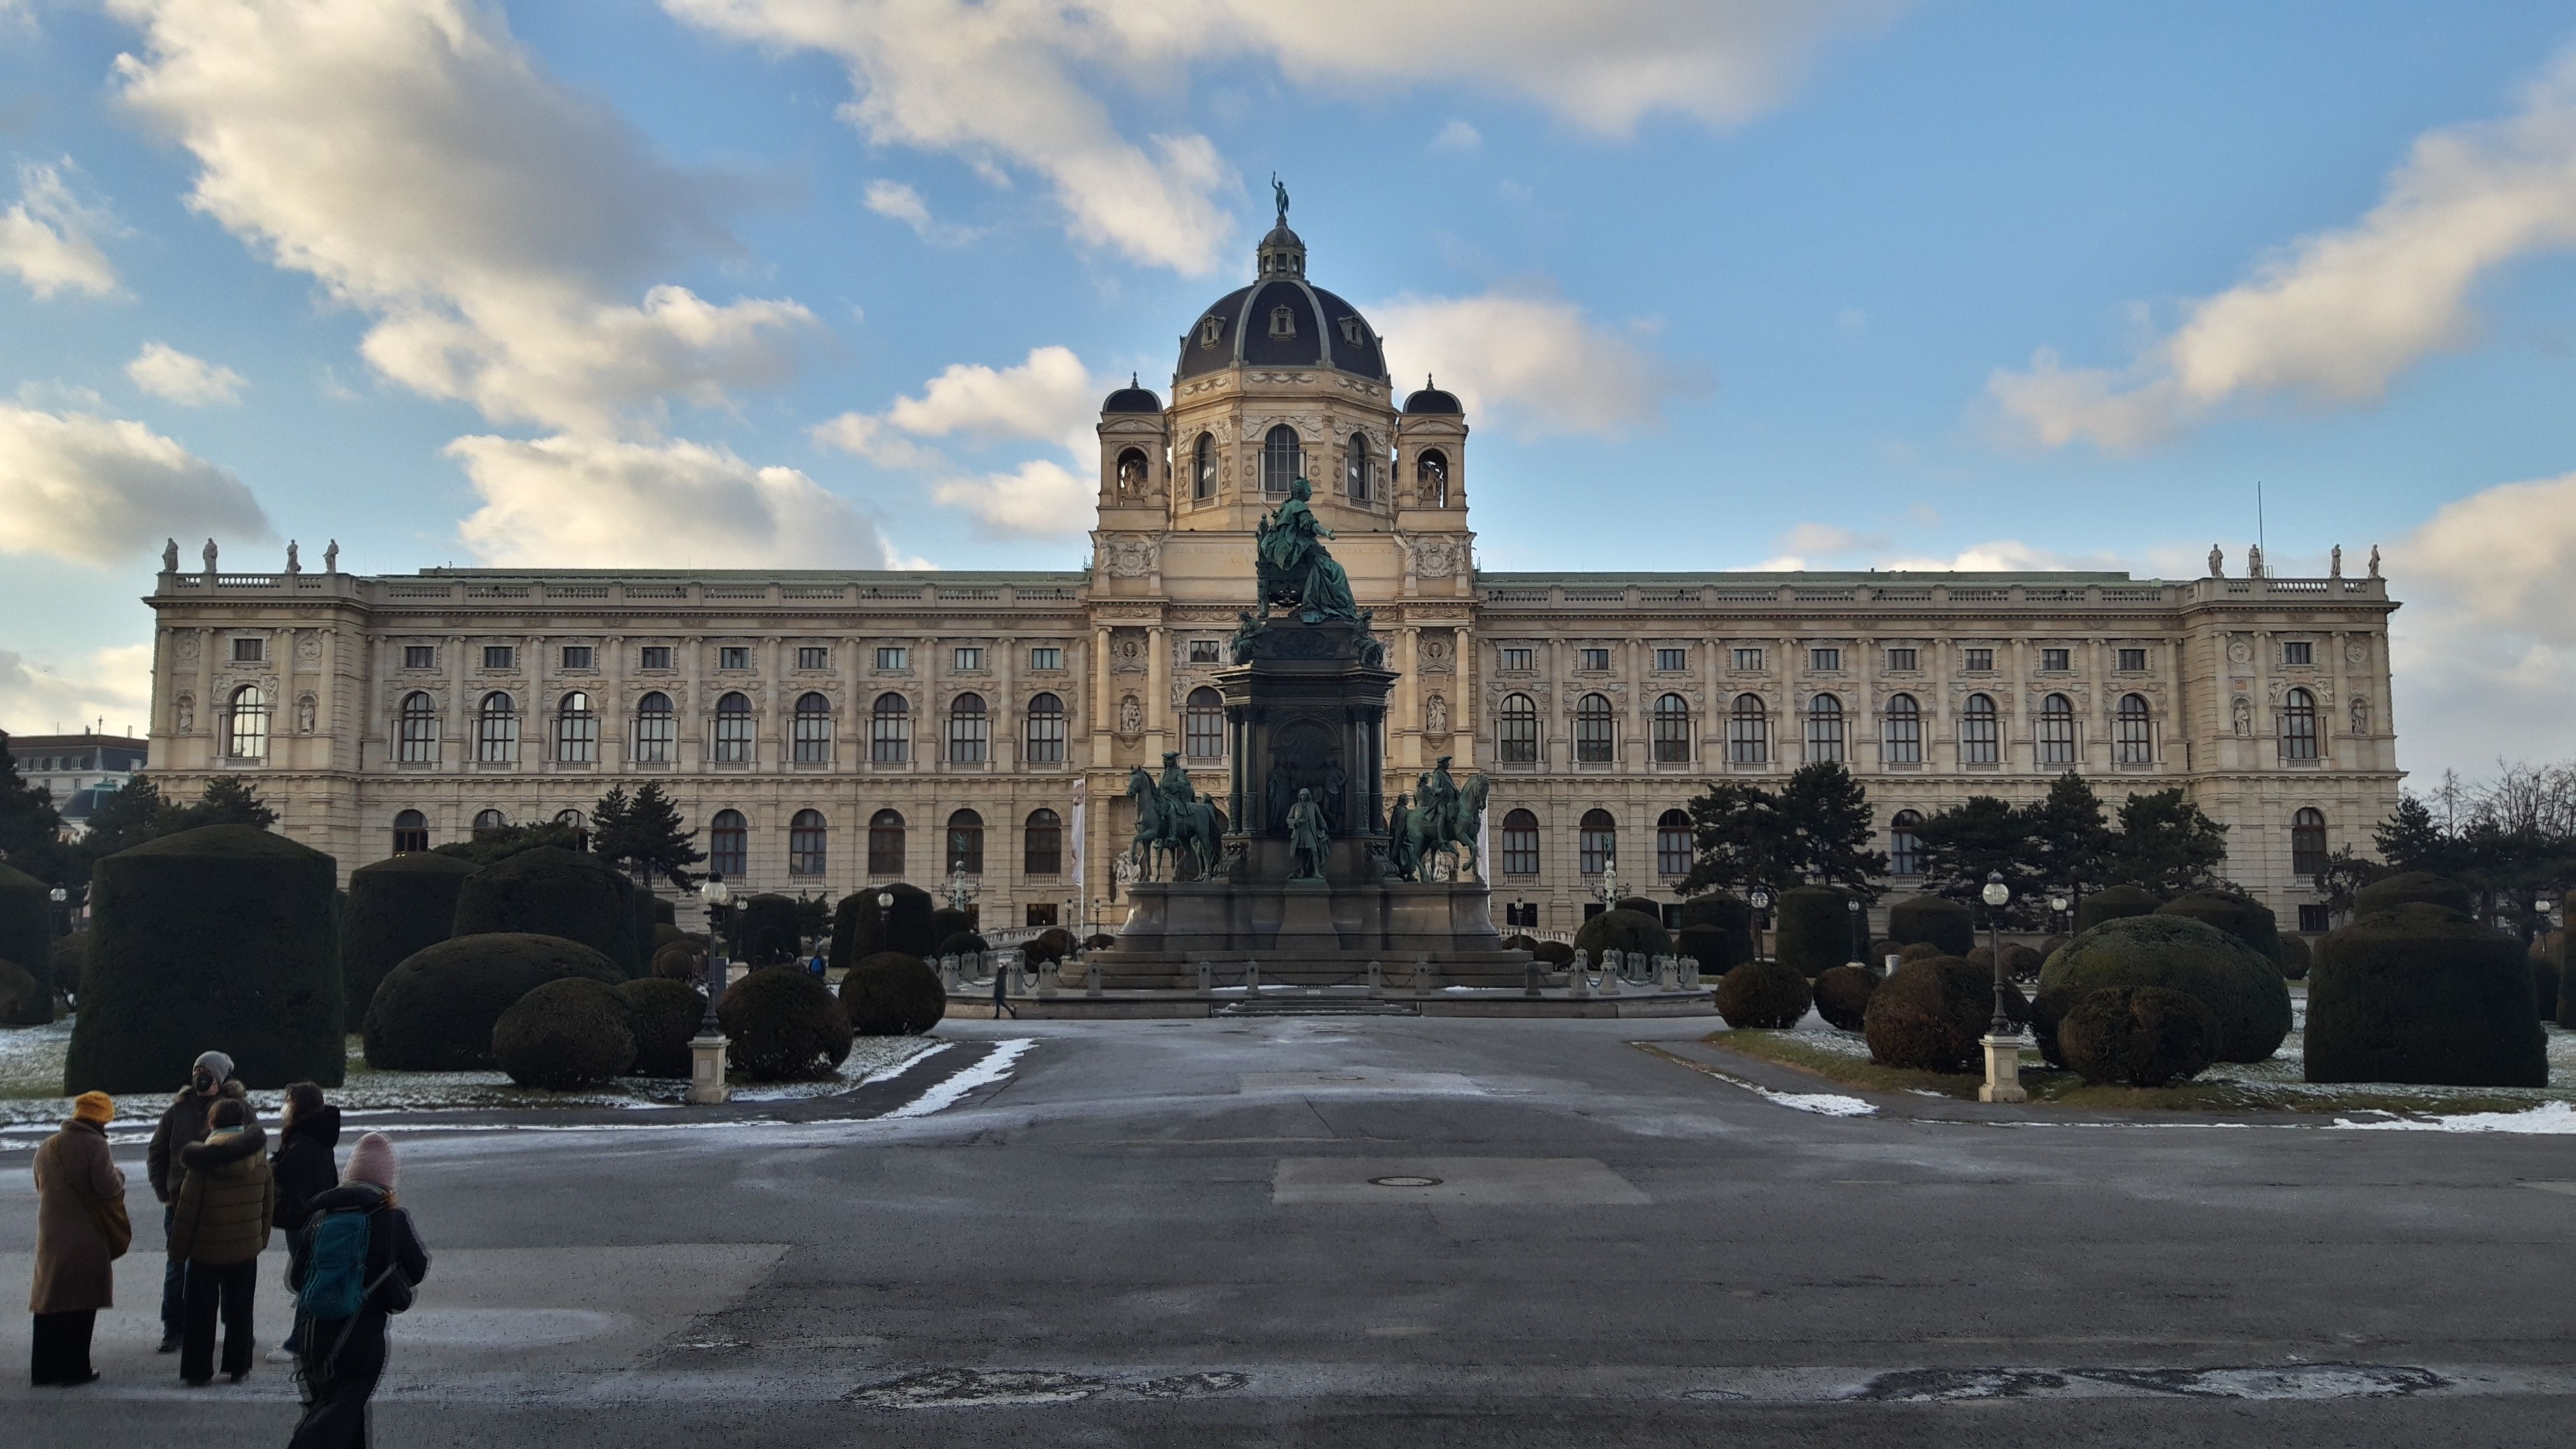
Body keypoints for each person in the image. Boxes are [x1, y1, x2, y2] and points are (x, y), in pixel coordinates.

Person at [288, 1133, 429, 1449]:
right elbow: (417, 1269)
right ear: (389, 1181)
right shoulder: (393, 1219)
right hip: (360, 1336)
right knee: (339, 1415)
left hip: (313, 1335)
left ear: (349, 1174)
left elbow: (298, 1279)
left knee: (339, 1413)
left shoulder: (319, 1217)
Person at [147, 1050, 246, 1353]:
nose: (201, 1077)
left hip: (221, 1205)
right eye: (197, 1070)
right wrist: (164, 1192)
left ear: (221, 1077)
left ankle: (236, 1328)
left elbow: (252, 1152)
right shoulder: (177, 1111)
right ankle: (174, 1327)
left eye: (207, 1071)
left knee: (230, 1269)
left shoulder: (238, 1109)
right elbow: (157, 1152)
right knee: (177, 1267)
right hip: (180, 1203)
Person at [169, 1097, 272, 1385]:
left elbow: (187, 1212)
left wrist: (178, 1250)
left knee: (200, 1312)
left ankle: (197, 1370)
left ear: (212, 1123)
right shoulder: (260, 1159)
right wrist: (260, 1239)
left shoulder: (202, 1163)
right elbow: (267, 1205)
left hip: (206, 1249)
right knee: (241, 1309)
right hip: (245, 1248)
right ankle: (238, 1367)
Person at [31, 1092, 126, 1386]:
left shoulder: (48, 1146)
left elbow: (39, 1184)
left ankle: (43, 1370)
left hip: (51, 1234)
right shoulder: (95, 1145)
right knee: (82, 1301)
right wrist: (120, 1176)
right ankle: (76, 1368)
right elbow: (107, 1187)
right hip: (87, 1234)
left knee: (51, 1300)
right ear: (103, 1118)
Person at [266, 1083, 341, 1365]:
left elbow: (287, 1173)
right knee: (308, 1275)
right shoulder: (316, 1133)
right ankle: (309, 1336)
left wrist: (273, 1164)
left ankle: (299, 1341)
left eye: (288, 1101)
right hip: (313, 1213)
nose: (285, 1105)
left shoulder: (305, 1139)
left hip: (303, 1216)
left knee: (306, 1277)